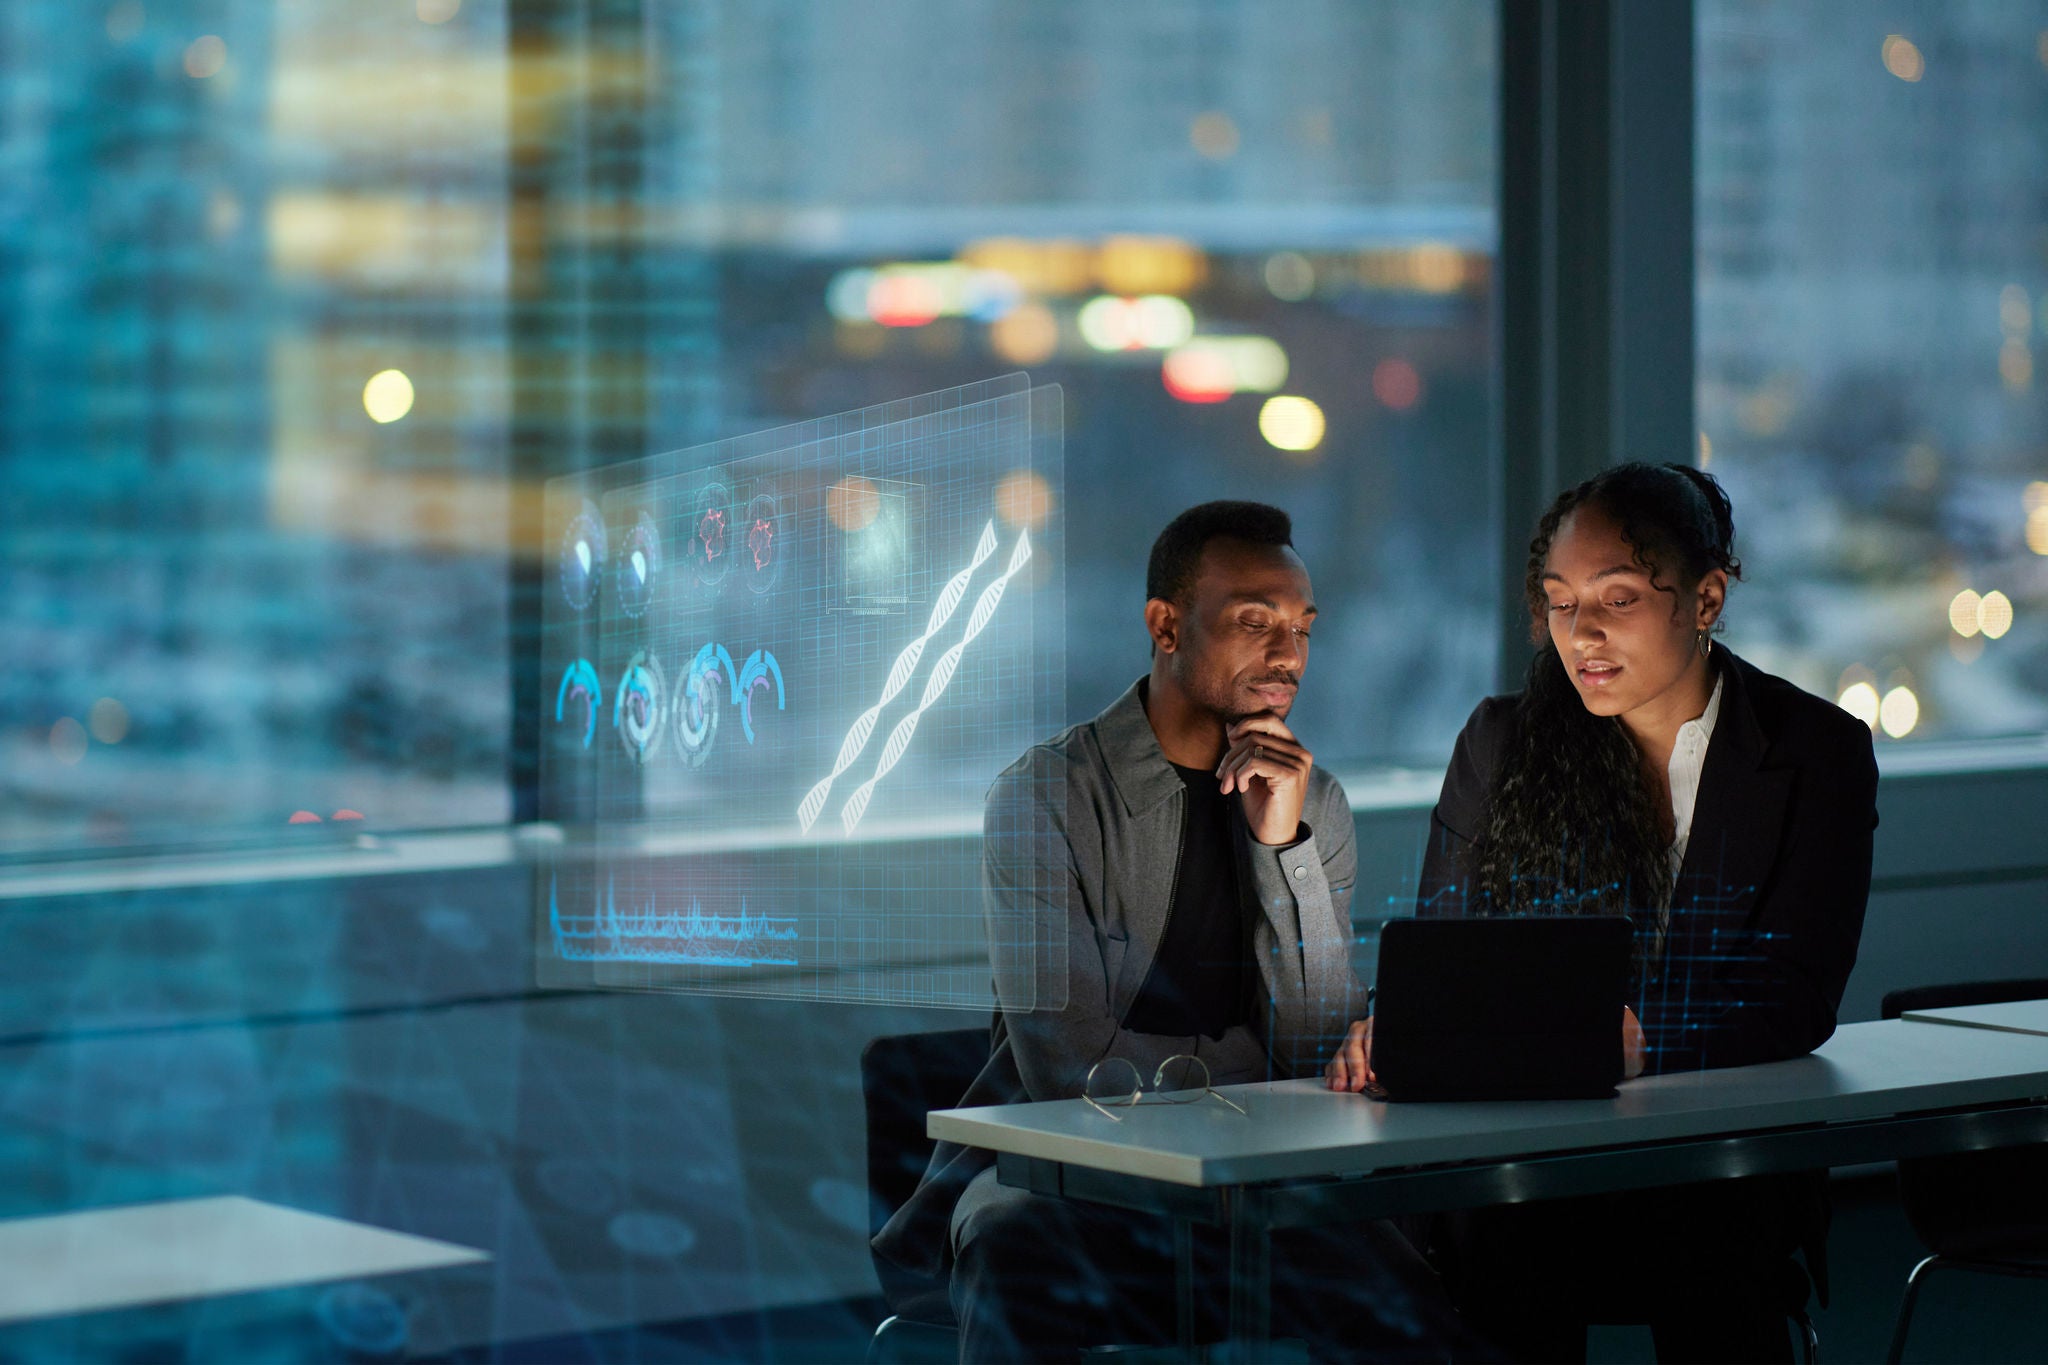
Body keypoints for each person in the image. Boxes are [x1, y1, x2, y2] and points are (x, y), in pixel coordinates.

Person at [873, 501, 1477, 1362]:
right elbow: (1072, 1068)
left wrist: (1283, 847)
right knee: (1015, 1251)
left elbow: (1315, 1050)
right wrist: (1255, 1061)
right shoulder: (1044, 798)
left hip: (1266, 1186)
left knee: (1412, 1289)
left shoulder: (1317, 804)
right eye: (1254, 622)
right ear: (1164, 624)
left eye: (1302, 628)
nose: (1289, 654)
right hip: (1073, 1185)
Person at [1325, 462, 1879, 1363]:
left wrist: (1635, 1037)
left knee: (1707, 1249)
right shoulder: (1504, 740)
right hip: (1527, 1164)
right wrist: (1402, 1025)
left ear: (1705, 597)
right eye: (1558, 601)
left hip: (1717, 1162)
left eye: (1617, 599)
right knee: (1500, 1243)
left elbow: (1795, 993)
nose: (1580, 633)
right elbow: (1450, 957)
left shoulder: (1815, 750)